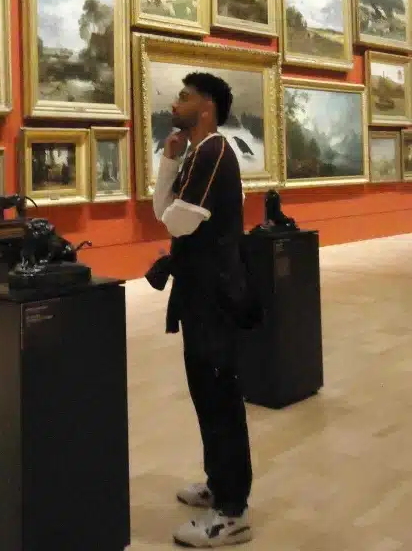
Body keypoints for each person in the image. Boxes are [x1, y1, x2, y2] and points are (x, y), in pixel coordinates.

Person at [151, 71, 254, 548]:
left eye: (185, 96)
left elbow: (177, 220)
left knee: (218, 398)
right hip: (201, 294)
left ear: (207, 107)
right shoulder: (196, 152)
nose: (177, 102)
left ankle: (231, 513)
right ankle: (219, 485)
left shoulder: (213, 151)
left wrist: (171, 190)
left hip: (213, 297)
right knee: (207, 394)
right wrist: (170, 165)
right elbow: (165, 214)